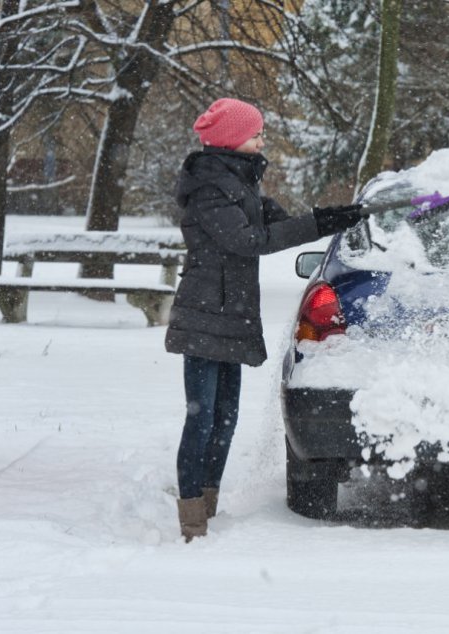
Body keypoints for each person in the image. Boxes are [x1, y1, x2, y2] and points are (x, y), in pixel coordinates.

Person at [165, 98, 361, 542]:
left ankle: (208, 504)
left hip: (230, 312)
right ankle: (192, 518)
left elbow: (284, 223)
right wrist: (314, 225)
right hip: (203, 314)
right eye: (256, 134)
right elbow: (250, 241)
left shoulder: (239, 182)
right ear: (234, 139)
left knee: (225, 415)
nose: (262, 139)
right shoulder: (210, 188)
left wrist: (331, 218)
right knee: (202, 417)